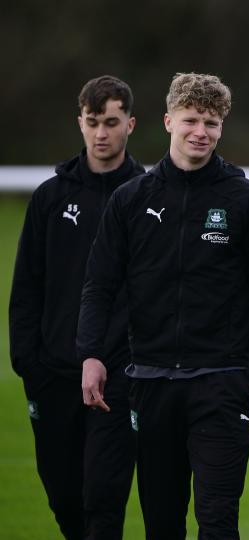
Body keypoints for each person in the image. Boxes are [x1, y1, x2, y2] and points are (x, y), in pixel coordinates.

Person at [76, 72, 249, 539]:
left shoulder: (245, 200)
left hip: (221, 380)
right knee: (162, 522)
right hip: (150, 381)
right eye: (192, 119)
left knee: (217, 519)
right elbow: (100, 284)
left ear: (222, 128)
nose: (201, 131)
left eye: (212, 123)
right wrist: (91, 354)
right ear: (168, 121)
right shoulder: (131, 200)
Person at [9, 75, 141, 540]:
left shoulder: (148, 197)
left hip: (120, 376)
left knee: (103, 498)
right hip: (54, 373)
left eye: (111, 122)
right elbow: (27, 286)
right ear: (79, 124)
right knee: (64, 496)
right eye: (92, 122)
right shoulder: (50, 196)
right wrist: (28, 362)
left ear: (131, 123)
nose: (101, 133)